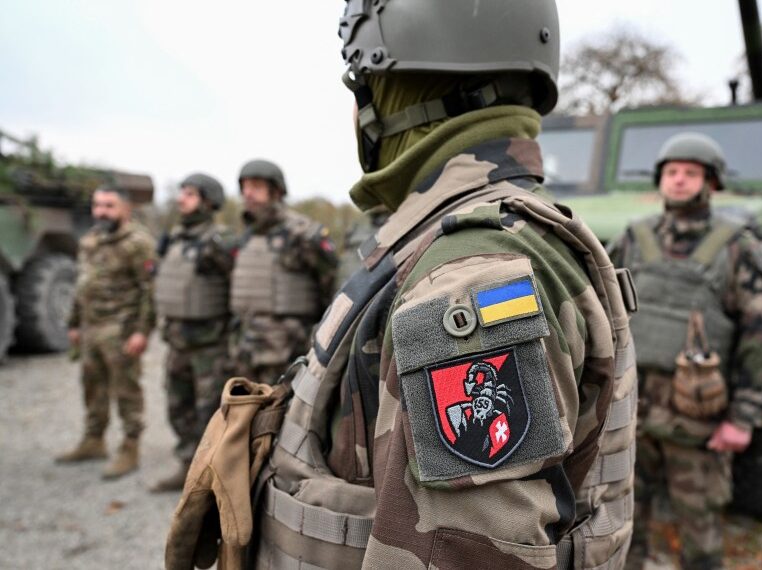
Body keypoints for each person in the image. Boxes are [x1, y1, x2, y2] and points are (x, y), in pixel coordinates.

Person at [165, 1, 638, 568]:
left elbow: (463, 551)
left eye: (365, 86)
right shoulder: (449, 236)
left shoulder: (469, 269)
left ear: (388, 99)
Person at [608, 133, 762, 570]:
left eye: (690, 172)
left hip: (697, 416)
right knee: (620, 526)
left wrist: (743, 417)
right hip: (633, 411)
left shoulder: (739, 247)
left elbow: (760, 335)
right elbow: (600, 310)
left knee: (700, 534)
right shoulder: (633, 238)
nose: (679, 181)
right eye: (671, 172)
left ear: (712, 183)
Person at [56, 184, 156, 480]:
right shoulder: (90, 240)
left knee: (126, 390)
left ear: (126, 208)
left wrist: (142, 331)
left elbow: (149, 291)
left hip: (121, 331)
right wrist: (74, 323)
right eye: (97, 205)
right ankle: (94, 439)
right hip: (91, 328)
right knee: (92, 387)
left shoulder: (138, 243)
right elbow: (81, 284)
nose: (101, 211)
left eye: (109, 206)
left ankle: (130, 446)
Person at [150, 173, 236, 492]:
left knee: (209, 414)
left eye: (190, 194)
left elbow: (238, 289)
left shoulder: (220, 240)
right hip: (177, 342)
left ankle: (213, 478)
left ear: (208, 200)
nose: (180, 199)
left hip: (209, 346)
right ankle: (187, 468)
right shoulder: (174, 238)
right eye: (182, 193)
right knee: (178, 407)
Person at [228, 159, 338, 385]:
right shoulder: (247, 235)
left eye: (256, 187)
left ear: (276, 191)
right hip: (245, 351)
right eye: (245, 187)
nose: (247, 194)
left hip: (287, 353)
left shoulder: (303, 234)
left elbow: (333, 289)